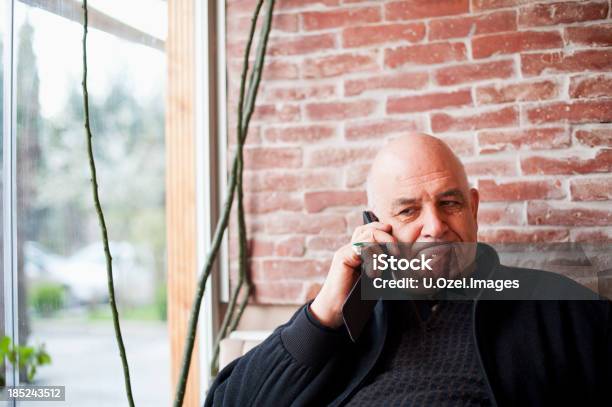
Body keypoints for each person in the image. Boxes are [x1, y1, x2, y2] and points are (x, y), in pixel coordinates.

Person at [204, 134, 611, 406]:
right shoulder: (347, 319)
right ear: (374, 225)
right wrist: (324, 312)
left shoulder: (553, 304)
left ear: (474, 208)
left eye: (449, 203)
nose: (435, 227)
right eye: (408, 210)